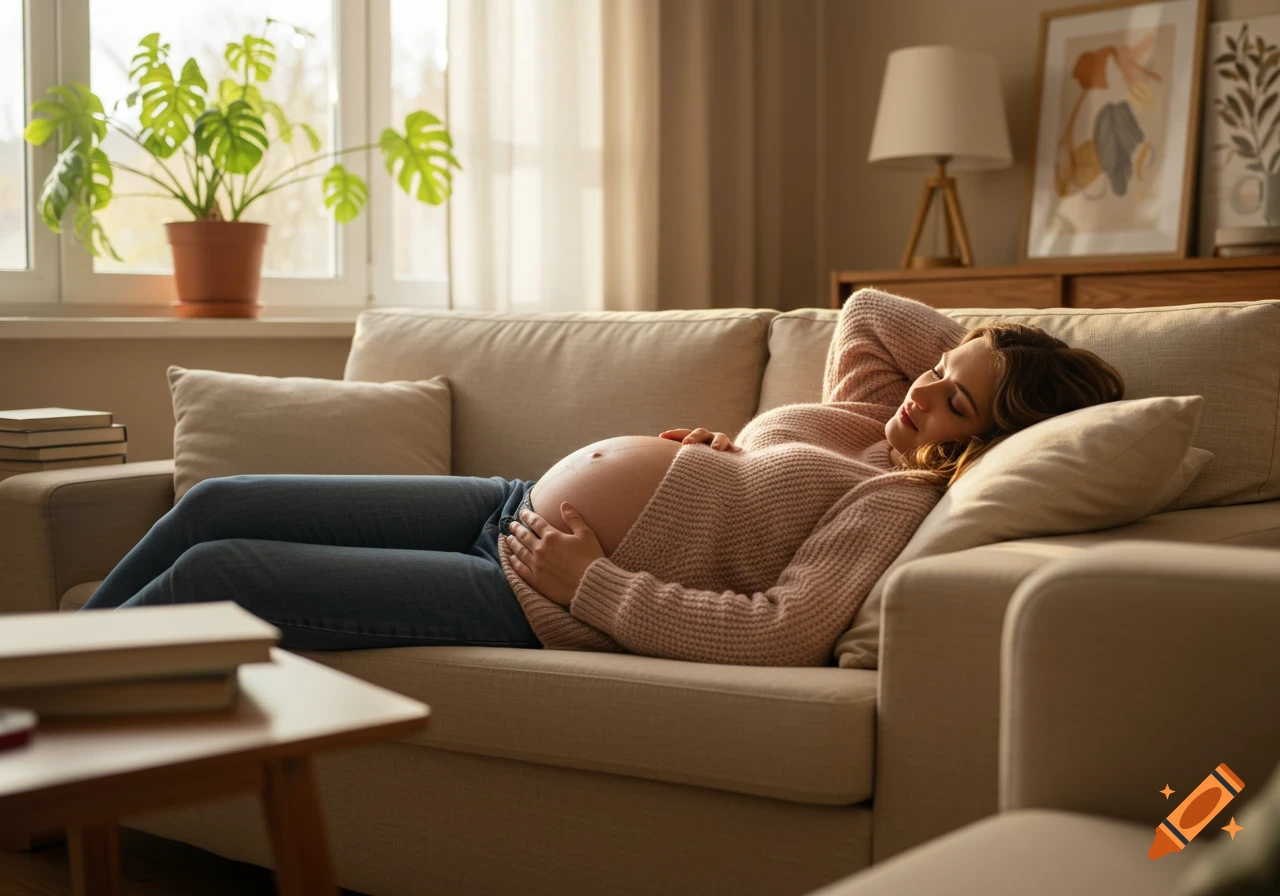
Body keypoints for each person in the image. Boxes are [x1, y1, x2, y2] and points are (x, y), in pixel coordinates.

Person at [80, 289, 1124, 666]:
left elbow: (782, 626)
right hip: (503, 500)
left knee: (230, 566)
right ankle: (35, 709)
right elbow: (871, 311)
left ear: (981, 446)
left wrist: (594, 585)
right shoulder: (860, 413)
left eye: (951, 402)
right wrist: (990, 351)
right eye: (935, 375)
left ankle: (32, 758)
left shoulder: (898, 502)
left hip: (536, 593)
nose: (921, 390)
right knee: (218, 499)